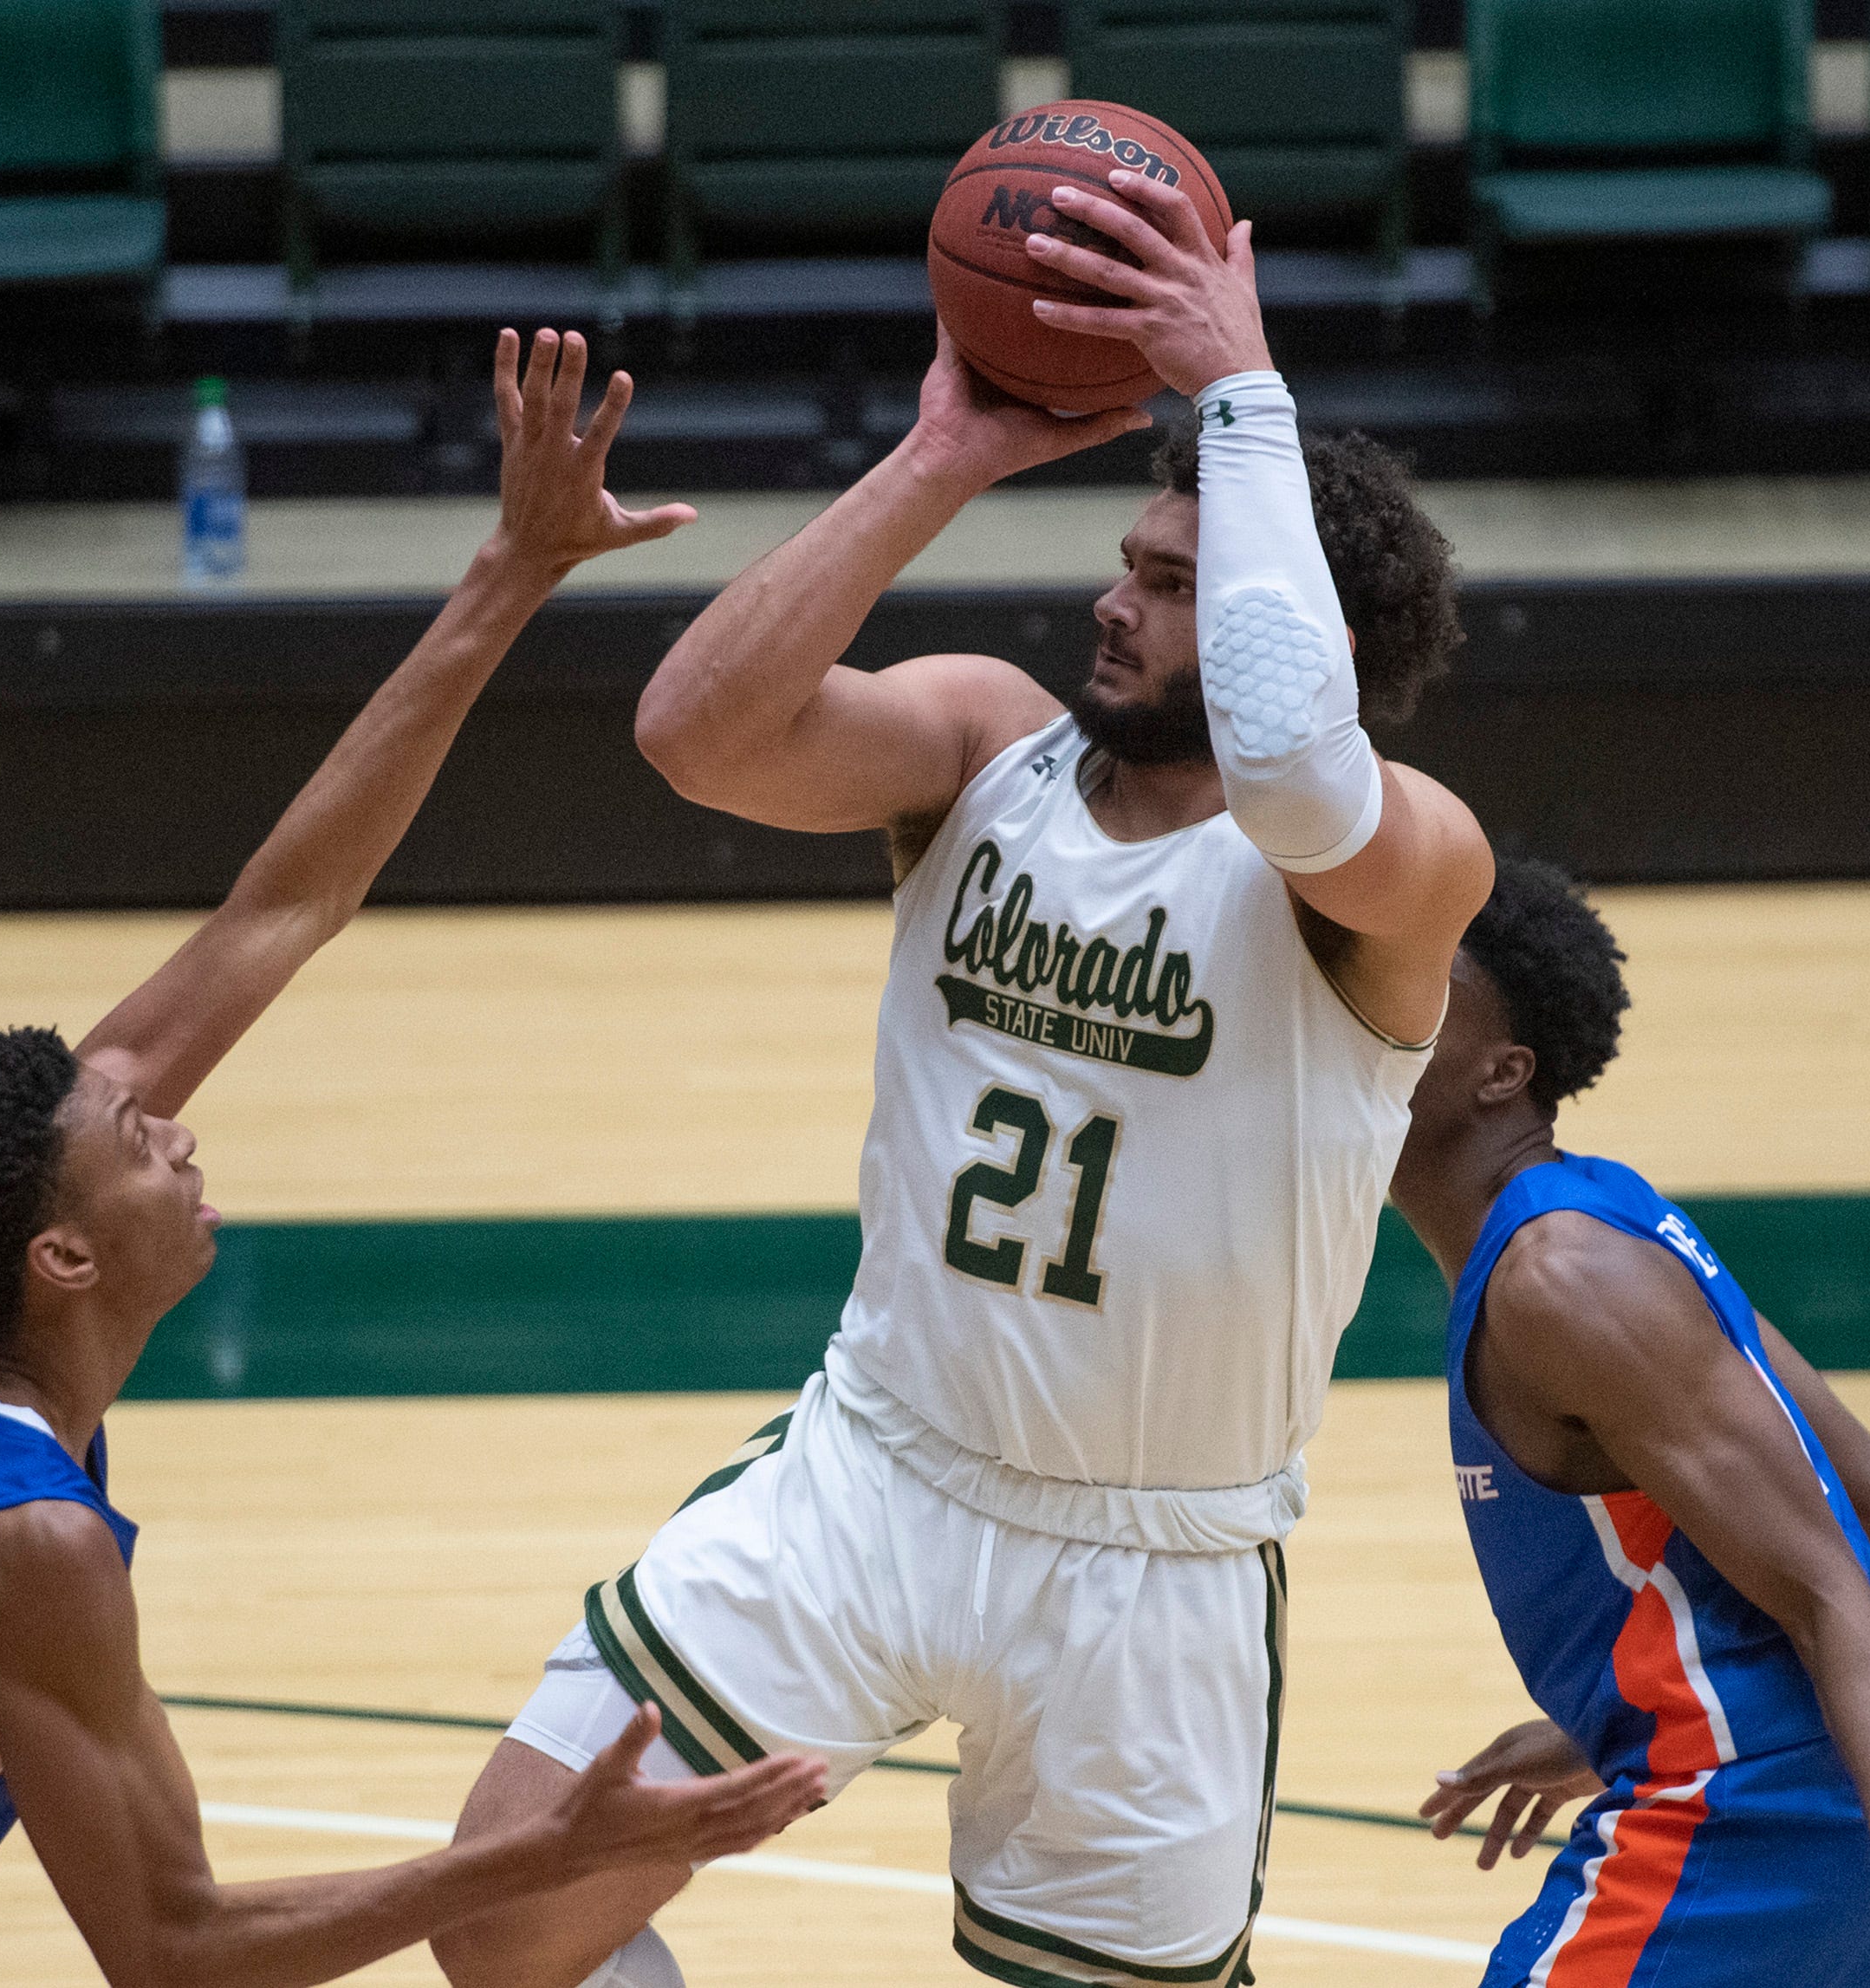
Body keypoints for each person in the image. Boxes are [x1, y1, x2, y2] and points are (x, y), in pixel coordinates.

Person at [0, 329, 828, 1988]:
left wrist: (511, 576)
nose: (173, 1122)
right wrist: (537, 1858)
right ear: (61, 1257)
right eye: (135, 1142)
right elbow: (173, 1951)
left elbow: (281, 908)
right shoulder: (27, 1547)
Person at [432, 171, 1496, 1988]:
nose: (1117, 596)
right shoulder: (986, 743)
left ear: (1276, 610)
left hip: (1151, 1571)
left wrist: (1242, 392)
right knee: (509, 1914)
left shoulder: (1387, 868)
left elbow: (1301, 774)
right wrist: (938, 456)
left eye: (1176, 581)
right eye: (1132, 559)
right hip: (878, 1473)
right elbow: (695, 735)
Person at [1392, 857, 1870, 1986]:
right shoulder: (1603, 1212)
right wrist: (1631, 1709)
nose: (1369, 1013)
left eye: (1416, 990)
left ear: (1504, 1072)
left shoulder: (1559, 1278)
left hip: (1755, 1805)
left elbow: (1837, 1577)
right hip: (1808, 1770)